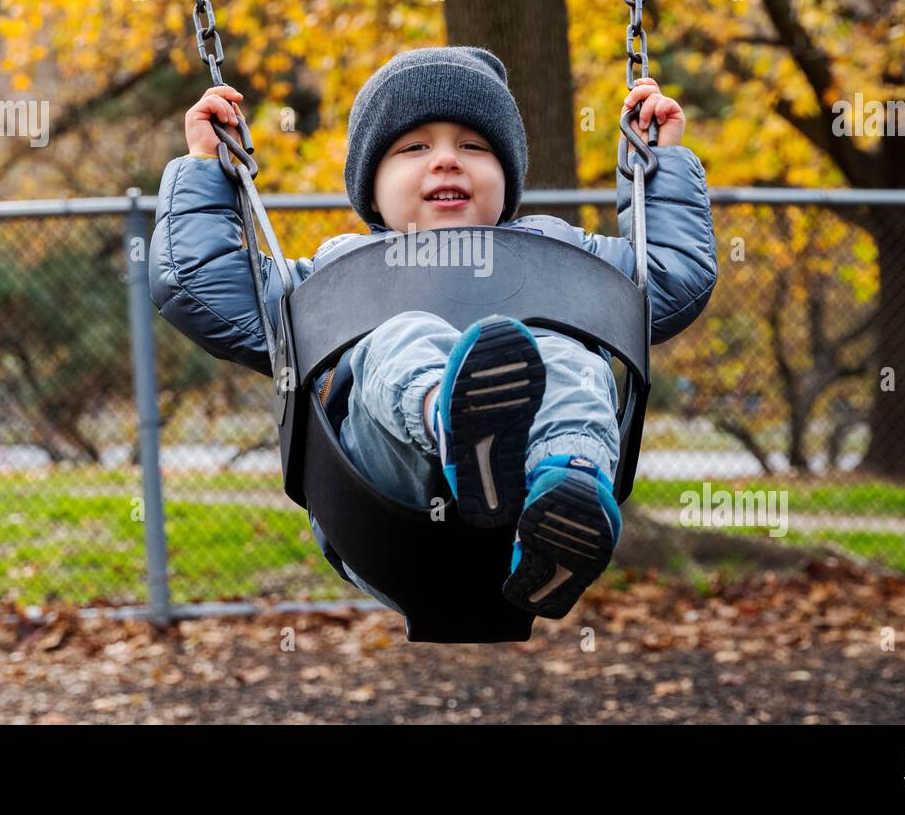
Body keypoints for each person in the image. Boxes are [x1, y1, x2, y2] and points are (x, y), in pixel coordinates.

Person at [149, 47, 717, 618]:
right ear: (371, 188)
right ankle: (453, 421)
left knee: (566, 356)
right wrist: (206, 168)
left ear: (507, 178)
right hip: (382, 504)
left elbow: (666, 281)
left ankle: (567, 497)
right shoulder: (337, 268)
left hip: (520, 517)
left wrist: (660, 163)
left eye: (474, 147)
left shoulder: (553, 250)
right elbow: (199, 285)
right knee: (404, 334)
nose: (447, 161)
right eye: (414, 147)